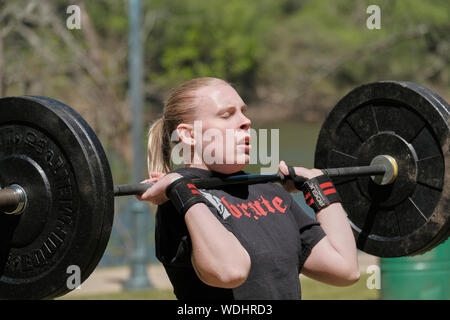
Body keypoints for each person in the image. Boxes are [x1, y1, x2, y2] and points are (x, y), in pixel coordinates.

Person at [137, 77, 360, 300]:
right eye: (227, 115)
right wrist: (180, 189)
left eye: (243, 112)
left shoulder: (268, 192)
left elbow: (345, 269)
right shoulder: (178, 203)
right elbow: (231, 272)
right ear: (188, 134)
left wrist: (319, 188)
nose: (246, 121)